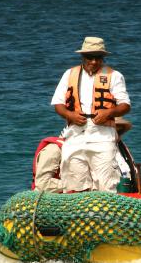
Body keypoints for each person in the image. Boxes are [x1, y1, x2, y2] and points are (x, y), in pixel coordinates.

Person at [51, 36, 131, 193]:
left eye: (98, 57)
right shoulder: (69, 74)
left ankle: (105, 214)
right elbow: (58, 104)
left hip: (102, 136)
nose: (94, 61)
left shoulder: (114, 76)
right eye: (90, 57)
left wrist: (109, 112)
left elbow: (125, 105)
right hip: (75, 135)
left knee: (106, 182)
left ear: (103, 58)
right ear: (82, 56)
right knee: (74, 181)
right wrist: (70, 115)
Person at [31, 118, 133, 193]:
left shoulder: (116, 154)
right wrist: (82, 186)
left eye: (117, 132)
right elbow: (43, 184)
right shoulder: (54, 150)